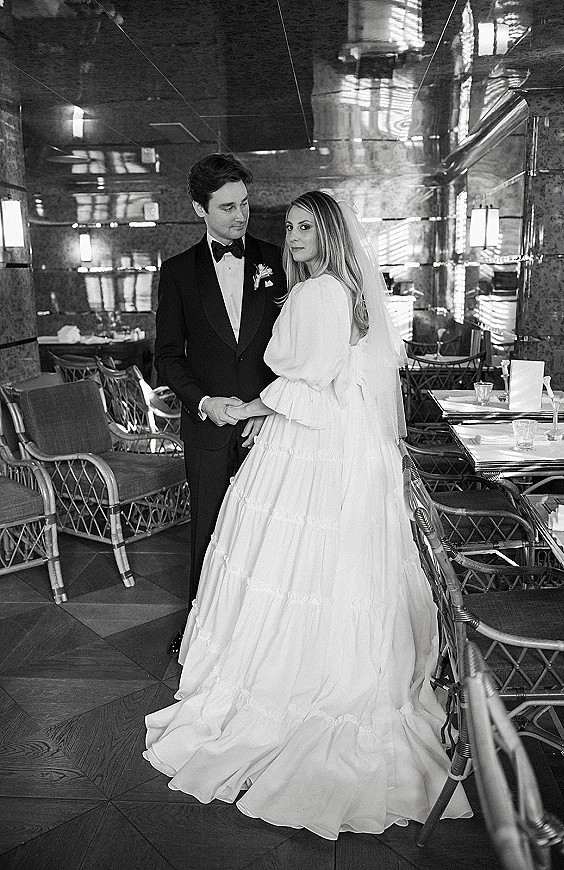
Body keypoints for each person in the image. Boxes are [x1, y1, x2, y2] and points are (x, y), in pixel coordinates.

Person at [144, 191, 472, 838]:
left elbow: (313, 381)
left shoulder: (320, 292)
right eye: (288, 225)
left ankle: (290, 688)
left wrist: (250, 410)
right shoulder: (330, 287)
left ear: (326, 232)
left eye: (303, 226)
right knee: (319, 571)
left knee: (299, 569)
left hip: (316, 444)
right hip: (337, 441)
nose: (291, 235)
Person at [154, 153, 284, 654]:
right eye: (227, 206)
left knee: (269, 531)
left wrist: (266, 407)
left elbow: (292, 351)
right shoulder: (179, 272)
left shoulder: (277, 261)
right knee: (207, 530)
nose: (240, 216)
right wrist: (204, 401)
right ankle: (203, 634)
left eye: (245, 204)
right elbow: (167, 357)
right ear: (198, 208)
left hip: (267, 426)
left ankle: (263, 637)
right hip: (207, 426)